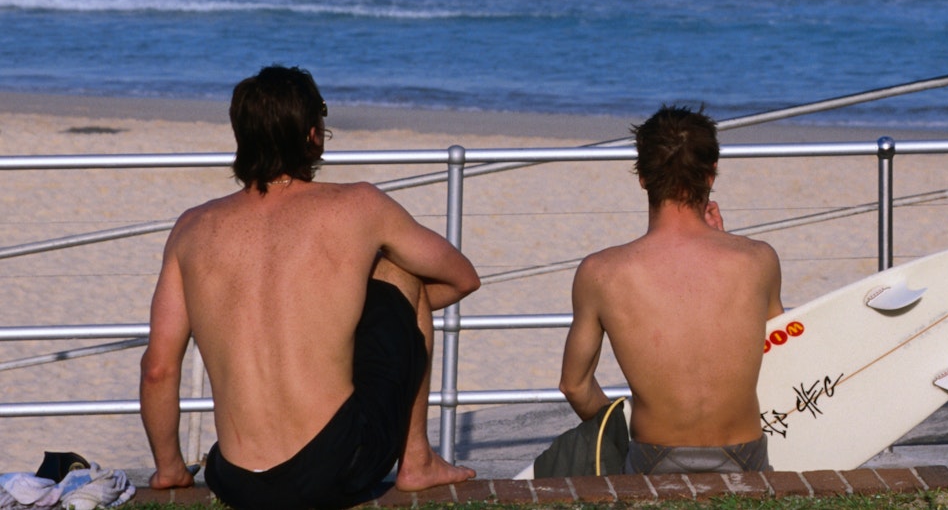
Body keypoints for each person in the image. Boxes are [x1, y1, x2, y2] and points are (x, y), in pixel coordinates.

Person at [140, 66, 481, 510]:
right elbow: (462, 277)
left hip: (235, 478)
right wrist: (354, 319)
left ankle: (174, 466)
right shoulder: (358, 205)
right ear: (313, 135)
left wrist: (169, 468)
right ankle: (417, 460)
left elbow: (158, 369)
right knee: (404, 274)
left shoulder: (191, 228)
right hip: (332, 467)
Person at [559, 105, 783, 474]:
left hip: (653, 454)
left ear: (643, 177)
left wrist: (619, 441)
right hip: (744, 454)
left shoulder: (600, 272)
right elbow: (780, 353)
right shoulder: (758, 260)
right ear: (711, 174)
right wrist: (725, 241)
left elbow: (574, 385)